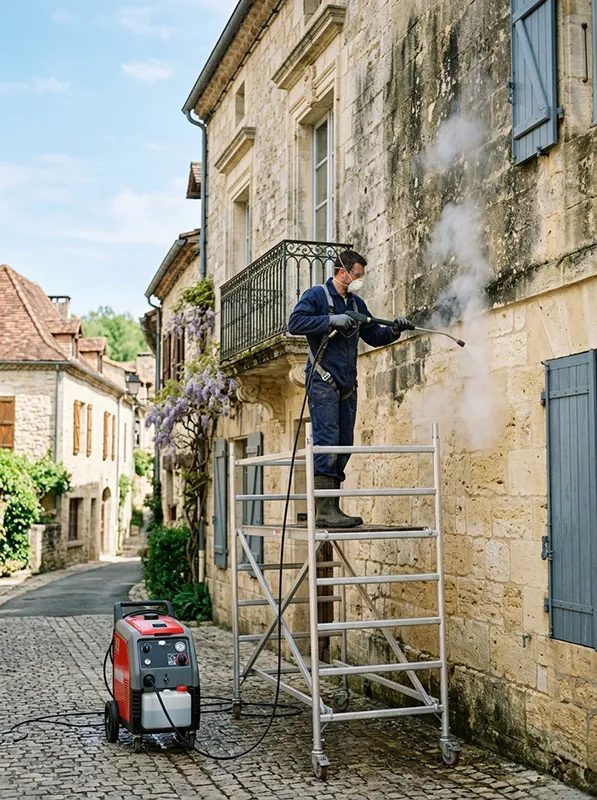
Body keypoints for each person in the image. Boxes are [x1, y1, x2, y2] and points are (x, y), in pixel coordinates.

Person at [287, 250, 412, 528]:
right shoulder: (317, 296)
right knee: (327, 440)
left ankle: (334, 507)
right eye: (357, 275)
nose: (360, 280)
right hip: (322, 379)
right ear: (342, 272)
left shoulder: (356, 302)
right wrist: (331, 320)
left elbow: (373, 334)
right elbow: (295, 323)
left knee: (343, 444)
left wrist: (394, 331)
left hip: (346, 384)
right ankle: (324, 509)